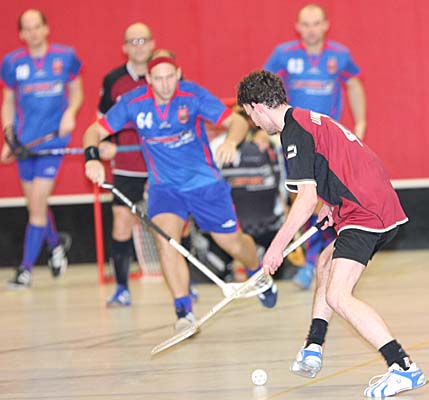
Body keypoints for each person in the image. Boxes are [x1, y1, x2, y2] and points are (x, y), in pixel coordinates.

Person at [237, 70, 426, 397]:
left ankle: (403, 367)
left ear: (258, 106)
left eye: (249, 114)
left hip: (365, 211)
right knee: (325, 264)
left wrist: (276, 247)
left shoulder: (294, 132)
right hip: (367, 203)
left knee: (338, 295)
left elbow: (304, 200)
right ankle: (313, 346)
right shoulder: (306, 119)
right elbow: (339, 159)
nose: (253, 122)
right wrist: (332, 202)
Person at [83, 52, 277, 330]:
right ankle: (183, 311)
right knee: (167, 242)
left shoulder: (192, 95)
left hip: (204, 184)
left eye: (169, 77)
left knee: (232, 243)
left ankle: (256, 270)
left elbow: (235, 122)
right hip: (165, 188)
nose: (165, 85)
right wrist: (92, 158)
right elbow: (93, 132)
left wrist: (231, 142)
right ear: (148, 79)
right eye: (158, 79)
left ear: (178, 74)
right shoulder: (133, 103)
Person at [264, 4, 366, 289]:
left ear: (326, 25)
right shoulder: (284, 54)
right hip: (295, 138)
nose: (311, 29)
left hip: (328, 139)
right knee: (303, 199)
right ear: (297, 27)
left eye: (316, 23)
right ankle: (312, 260)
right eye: (306, 24)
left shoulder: (339, 55)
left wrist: (361, 123)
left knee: (327, 199)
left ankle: (318, 261)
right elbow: (264, 90)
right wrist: (264, 129)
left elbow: (354, 85)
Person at [1, 9, 83, 288]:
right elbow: (8, 102)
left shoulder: (65, 56)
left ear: (46, 28)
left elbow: (77, 91)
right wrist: (9, 138)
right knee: (35, 204)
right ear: (21, 34)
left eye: (37, 27)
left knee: (35, 207)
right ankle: (56, 244)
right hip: (26, 145)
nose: (33, 32)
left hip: (53, 144)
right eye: (27, 28)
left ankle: (25, 271)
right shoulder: (12, 62)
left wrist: (70, 113)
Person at [97, 23, 154, 306]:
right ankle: (121, 289)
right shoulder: (113, 80)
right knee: (121, 222)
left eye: (143, 40)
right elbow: (101, 122)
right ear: (124, 47)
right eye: (133, 41)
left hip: (162, 163)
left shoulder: (164, 73)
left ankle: (186, 286)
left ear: (152, 43)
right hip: (127, 165)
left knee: (173, 223)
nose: (138, 46)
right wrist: (105, 143)